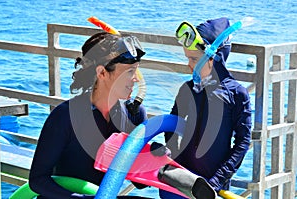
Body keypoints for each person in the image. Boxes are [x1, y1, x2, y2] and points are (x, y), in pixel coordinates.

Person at [29, 32, 151, 199]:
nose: (135, 79)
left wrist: (151, 159)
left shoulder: (134, 115)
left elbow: (140, 183)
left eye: (136, 71)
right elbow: (37, 180)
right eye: (129, 72)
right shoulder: (65, 116)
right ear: (102, 73)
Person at [158, 17, 252, 198]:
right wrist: (173, 159)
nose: (189, 65)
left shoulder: (237, 94)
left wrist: (217, 180)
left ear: (214, 58)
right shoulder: (188, 89)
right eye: (188, 58)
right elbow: (172, 125)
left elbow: (242, 142)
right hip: (181, 179)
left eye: (193, 59)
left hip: (211, 185)